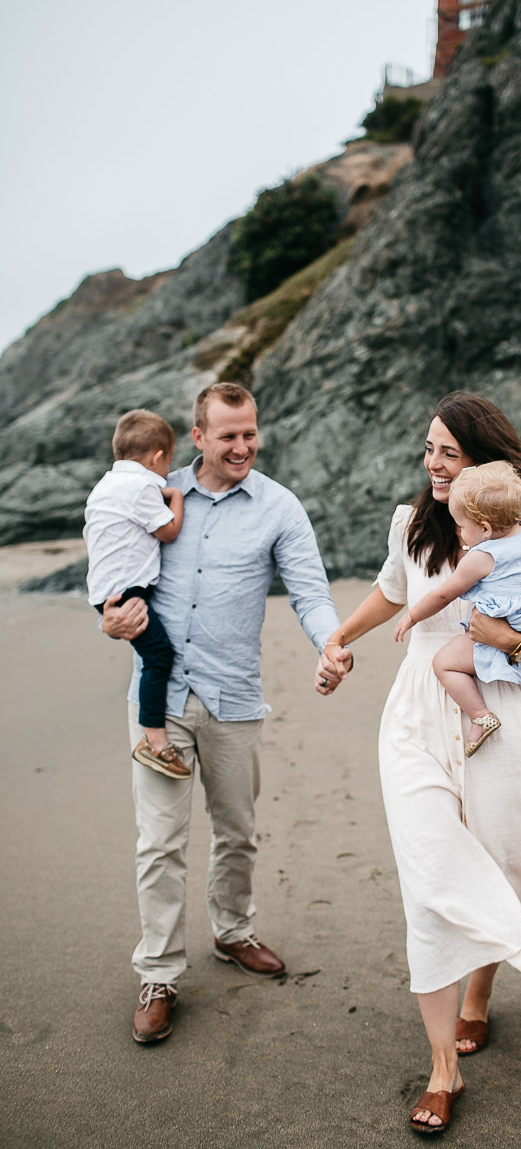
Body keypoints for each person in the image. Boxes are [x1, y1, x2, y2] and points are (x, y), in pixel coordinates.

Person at [316, 391, 521, 1135]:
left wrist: (499, 636)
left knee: (494, 858)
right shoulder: (412, 524)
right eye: (428, 448)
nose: (431, 464)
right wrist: (338, 641)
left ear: (485, 465)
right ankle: (442, 1070)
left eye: (448, 453)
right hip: (416, 717)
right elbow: (393, 593)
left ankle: (480, 995)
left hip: (500, 717)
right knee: (430, 876)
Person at [100, 382, 345, 1044]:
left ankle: (232, 932)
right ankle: (158, 974)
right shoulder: (154, 493)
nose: (241, 446)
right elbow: (110, 557)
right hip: (161, 702)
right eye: (227, 435)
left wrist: (331, 642)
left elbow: (310, 593)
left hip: (235, 700)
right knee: (161, 843)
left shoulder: (279, 508)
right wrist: (109, 614)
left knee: (237, 832)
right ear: (199, 437)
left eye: (249, 433)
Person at [393, 460, 521, 751]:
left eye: (462, 526)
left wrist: (412, 616)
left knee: (444, 664)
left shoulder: (482, 557)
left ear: (485, 528)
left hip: (507, 624)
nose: (460, 533)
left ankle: (481, 716)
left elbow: (444, 595)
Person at [84, 409, 190, 779]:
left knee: (151, 653)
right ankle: (155, 741)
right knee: (159, 655)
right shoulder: (145, 487)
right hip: (128, 591)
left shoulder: (103, 487)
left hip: (104, 590)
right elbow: (170, 531)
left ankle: (153, 737)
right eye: (168, 462)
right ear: (158, 457)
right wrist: (174, 494)